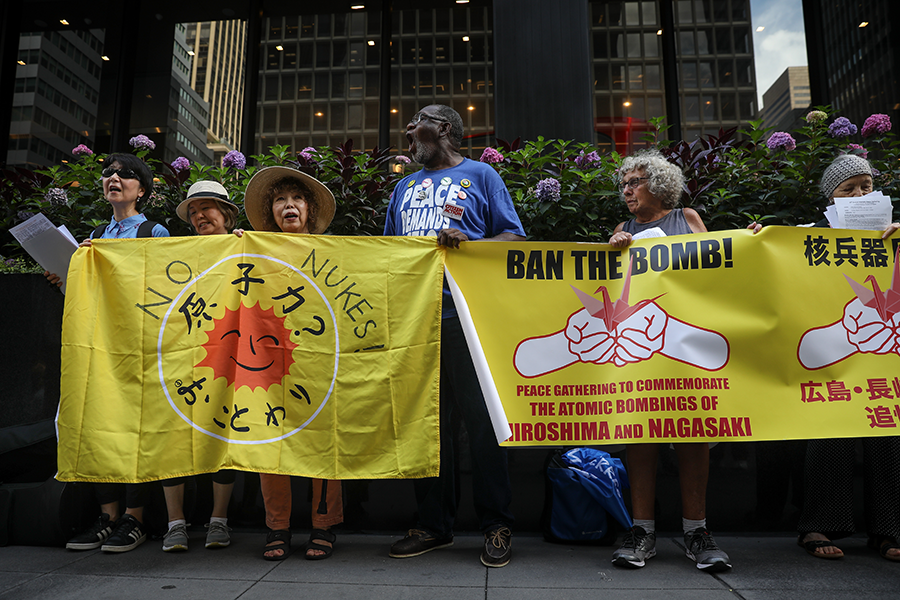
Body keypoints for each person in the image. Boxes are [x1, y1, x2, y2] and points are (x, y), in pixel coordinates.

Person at [384, 104, 525, 568]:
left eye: (416, 120)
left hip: (469, 320)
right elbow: (388, 254)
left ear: (442, 129)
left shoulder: (483, 176)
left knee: (484, 428)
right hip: (416, 325)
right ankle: (432, 526)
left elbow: (515, 239)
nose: (407, 129)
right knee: (429, 429)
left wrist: (469, 244)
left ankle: (496, 524)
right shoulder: (403, 188)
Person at [608, 149, 731, 572]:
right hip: (637, 349)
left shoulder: (687, 219)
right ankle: (642, 531)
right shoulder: (622, 229)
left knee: (691, 432)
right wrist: (613, 248)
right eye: (624, 184)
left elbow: (714, 267)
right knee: (640, 433)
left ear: (659, 186)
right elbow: (608, 287)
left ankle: (697, 531)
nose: (627, 190)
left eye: (635, 182)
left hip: (685, 344)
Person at [56, 152, 169, 553]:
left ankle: (134, 519)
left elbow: (168, 291)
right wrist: (68, 276)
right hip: (99, 349)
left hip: (138, 350)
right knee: (99, 425)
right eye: (109, 173)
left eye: (126, 175)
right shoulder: (94, 239)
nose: (115, 178)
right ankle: (107, 515)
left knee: (136, 431)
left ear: (143, 190)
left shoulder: (155, 233)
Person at [789, 154, 900, 562]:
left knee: (889, 433)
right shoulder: (809, 235)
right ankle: (819, 524)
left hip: (886, 353)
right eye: (847, 190)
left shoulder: (893, 231)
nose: (859, 195)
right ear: (830, 199)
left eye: (865, 188)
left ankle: (890, 529)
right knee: (830, 431)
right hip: (833, 351)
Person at [242, 165, 342, 561]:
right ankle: (277, 527)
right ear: (271, 211)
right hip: (267, 363)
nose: (289, 206)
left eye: (297, 199)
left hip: (319, 361)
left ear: (309, 209)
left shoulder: (334, 252)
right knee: (271, 442)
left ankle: (325, 525)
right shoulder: (252, 250)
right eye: (280, 200)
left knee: (322, 441)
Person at [159, 181, 241, 552]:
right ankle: (175, 523)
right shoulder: (176, 253)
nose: (198, 216)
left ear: (226, 214)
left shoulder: (245, 247)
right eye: (192, 212)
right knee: (172, 434)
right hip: (180, 355)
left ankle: (218, 521)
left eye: (206, 208)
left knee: (222, 430)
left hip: (229, 357)